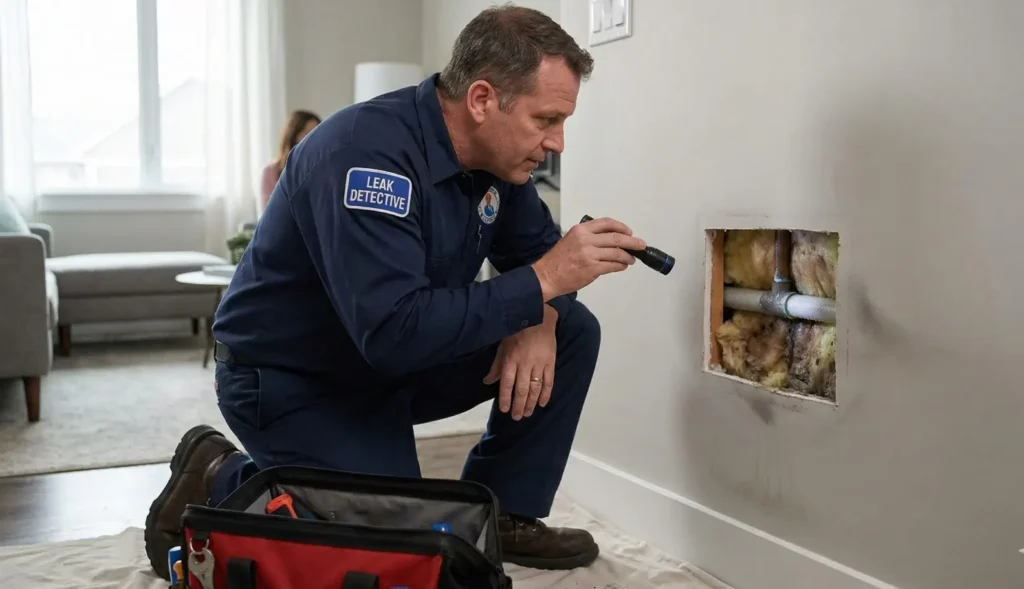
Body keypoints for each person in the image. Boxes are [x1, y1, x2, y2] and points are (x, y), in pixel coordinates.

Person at [144, 5, 648, 579]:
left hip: (391, 364)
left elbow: (538, 253)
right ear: (482, 99)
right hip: (293, 379)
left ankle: (504, 514)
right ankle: (215, 475)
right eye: (545, 120)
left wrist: (544, 316)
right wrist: (545, 283)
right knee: (398, 547)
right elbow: (394, 333)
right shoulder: (363, 155)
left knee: (573, 330)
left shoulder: (498, 164)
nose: (556, 142)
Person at [259, 109, 321, 211]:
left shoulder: (321, 169)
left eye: (316, 132)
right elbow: (267, 215)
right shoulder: (271, 171)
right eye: (307, 132)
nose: (313, 138)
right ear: (293, 135)